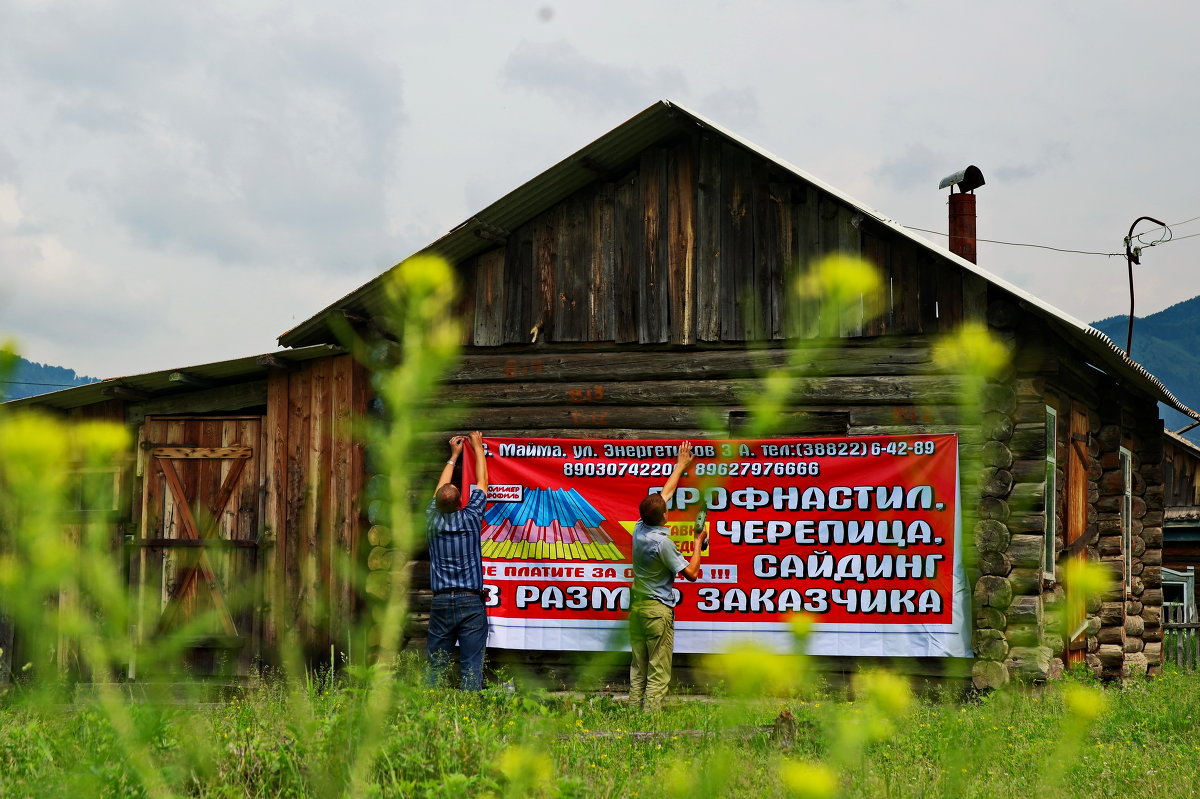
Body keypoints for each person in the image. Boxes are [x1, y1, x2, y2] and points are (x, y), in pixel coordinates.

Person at [628, 440, 707, 713]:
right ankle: (648, 726)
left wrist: (680, 465)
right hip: (656, 612)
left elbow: (665, 493)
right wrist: (698, 541)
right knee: (658, 671)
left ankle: (633, 715)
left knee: (639, 667)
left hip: (637, 607)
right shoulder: (662, 543)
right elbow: (693, 573)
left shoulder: (640, 526)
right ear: (665, 515)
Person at [426, 431, 490, 690]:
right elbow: (483, 482)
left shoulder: (431, 520)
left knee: (436, 663)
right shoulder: (471, 517)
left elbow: (439, 492)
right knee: (472, 664)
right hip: (470, 600)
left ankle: (429, 705)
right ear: (461, 501)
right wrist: (478, 448)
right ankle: (469, 711)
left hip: (441, 601)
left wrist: (453, 457)